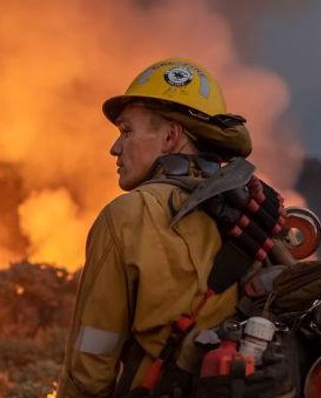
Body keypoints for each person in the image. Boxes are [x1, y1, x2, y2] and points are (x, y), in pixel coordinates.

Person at [58, 58, 257, 397]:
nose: (115, 148)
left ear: (169, 137)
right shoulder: (253, 211)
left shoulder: (127, 215)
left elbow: (90, 366)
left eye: (126, 131)